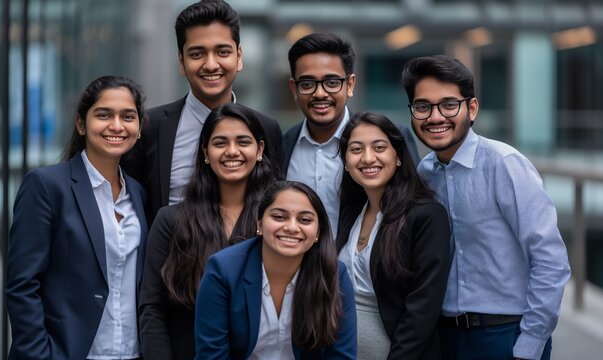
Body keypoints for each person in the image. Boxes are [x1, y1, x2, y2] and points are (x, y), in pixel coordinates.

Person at [401, 54, 571, 360]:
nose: (435, 116)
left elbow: (550, 260)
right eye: (423, 106)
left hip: (505, 335)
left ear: (472, 108)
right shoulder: (424, 173)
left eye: (449, 104)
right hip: (444, 335)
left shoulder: (504, 164)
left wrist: (530, 343)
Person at [6, 75, 148, 360]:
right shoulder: (46, 186)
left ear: (139, 128)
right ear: (82, 123)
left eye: (127, 116)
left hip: (131, 353)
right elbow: (22, 285)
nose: (116, 125)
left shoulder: (138, 194)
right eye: (104, 114)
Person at [123, 0, 283, 224]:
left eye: (222, 52)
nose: (210, 64)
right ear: (181, 60)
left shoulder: (267, 128)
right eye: (197, 54)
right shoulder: (150, 126)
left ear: (239, 57)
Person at [138, 103, 277, 360]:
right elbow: (153, 310)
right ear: (205, 152)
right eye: (220, 143)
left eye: (243, 142)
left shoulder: (276, 222)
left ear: (259, 150)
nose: (231, 151)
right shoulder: (170, 220)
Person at [195, 181, 357, 359]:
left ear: (318, 232)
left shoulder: (335, 274)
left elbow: (341, 355)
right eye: (279, 217)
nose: (292, 227)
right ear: (259, 224)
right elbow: (211, 355)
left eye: (305, 220)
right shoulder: (223, 270)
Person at [336, 112, 451, 359]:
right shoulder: (351, 210)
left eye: (379, 147)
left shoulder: (426, 215)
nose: (367, 158)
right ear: (345, 161)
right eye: (356, 149)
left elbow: (423, 309)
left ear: (398, 157)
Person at [283, 32, 419, 236]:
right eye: (307, 84)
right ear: (294, 88)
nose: (320, 93)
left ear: (351, 85)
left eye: (331, 82)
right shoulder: (281, 145)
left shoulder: (390, 139)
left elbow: (416, 210)